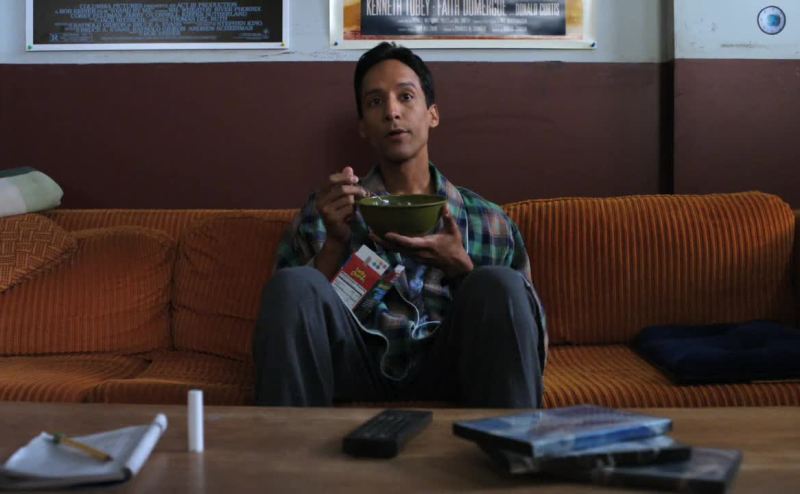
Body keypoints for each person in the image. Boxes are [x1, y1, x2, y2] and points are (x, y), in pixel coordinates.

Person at [253, 42, 547, 408]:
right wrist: (335, 244)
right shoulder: (327, 212)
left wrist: (463, 270)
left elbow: (529, 340)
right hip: (354, 364)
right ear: (363, 126)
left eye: (406, 97)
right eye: (375, 102)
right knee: (293, 284)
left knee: (500, 284)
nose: (392, 112)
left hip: (454, 367)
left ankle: (511, 443)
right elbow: (283, 331)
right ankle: (288, 446)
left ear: (432, 115)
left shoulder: (489, 222)